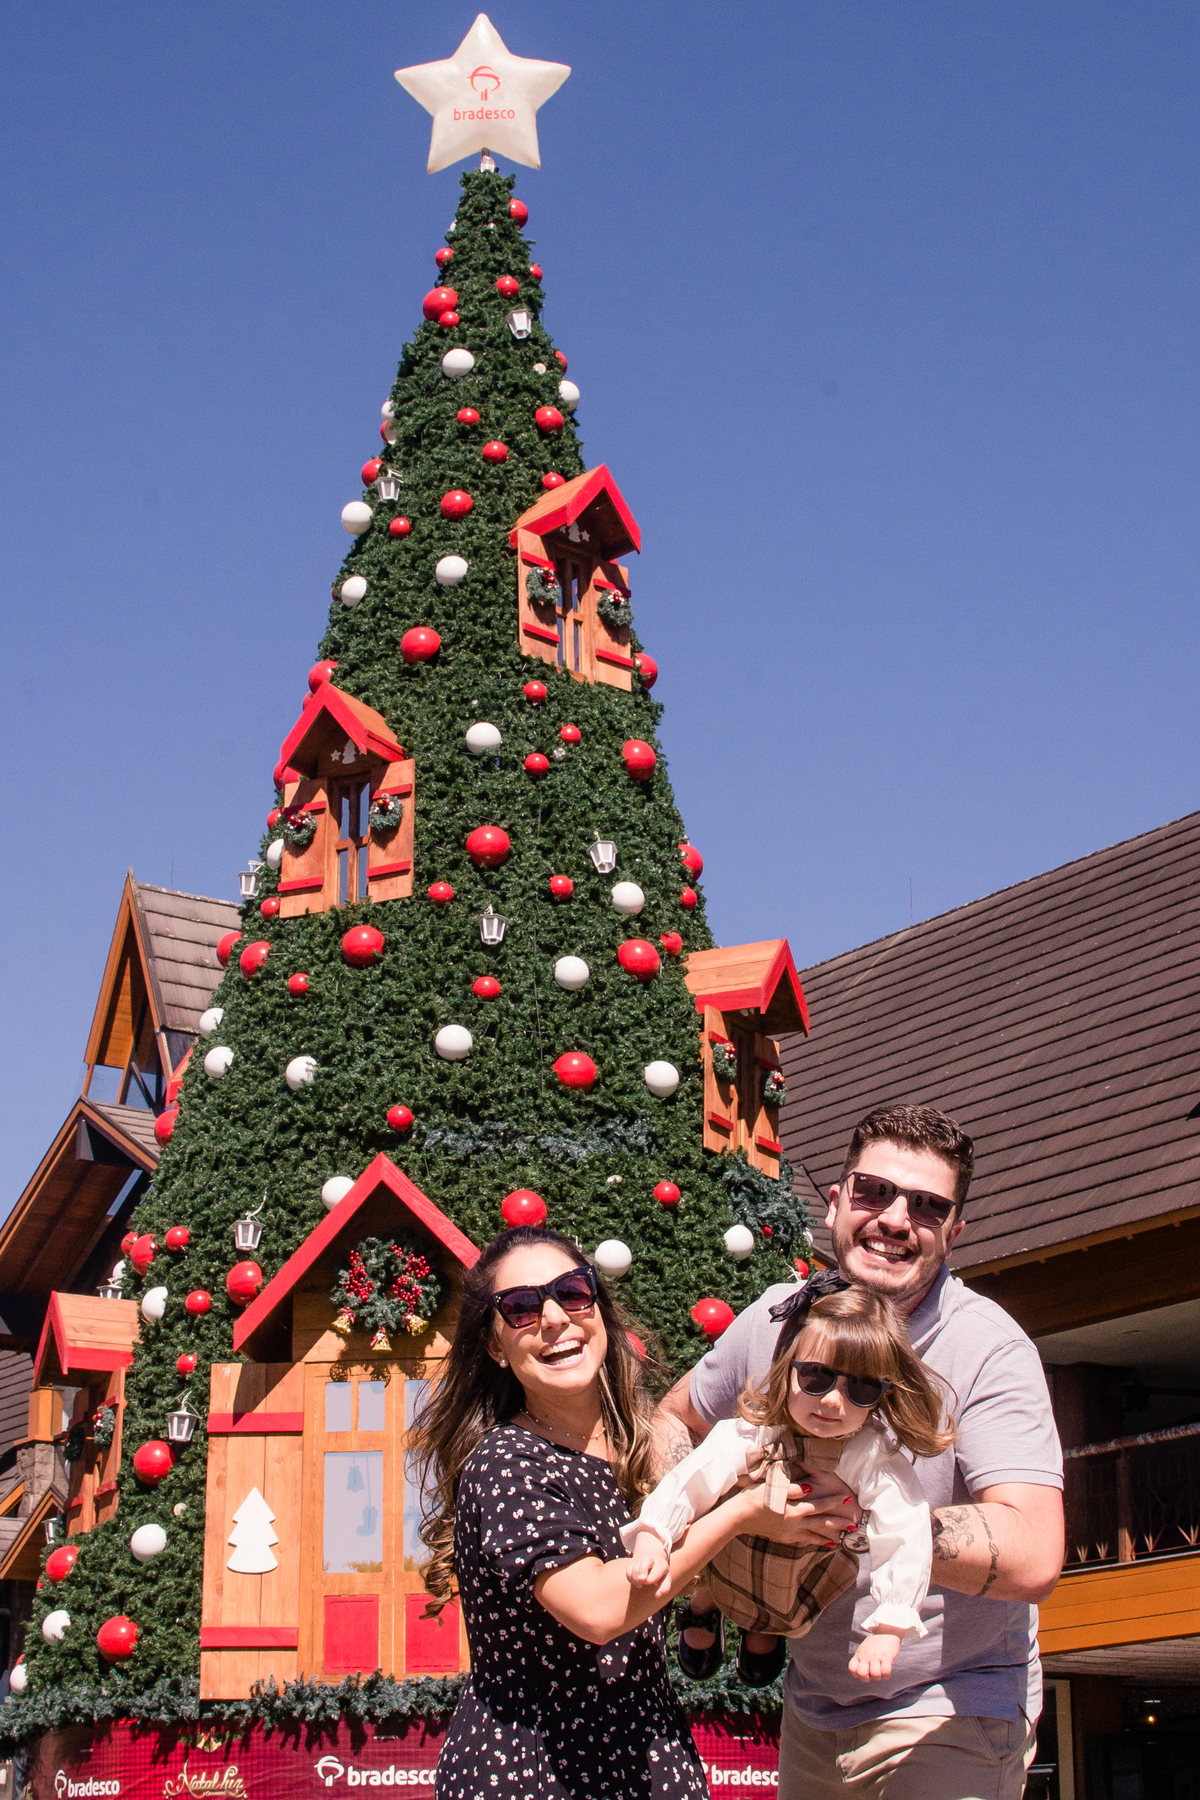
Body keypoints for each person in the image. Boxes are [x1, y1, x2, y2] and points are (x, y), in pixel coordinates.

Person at [652, 1104, 1064, 1800]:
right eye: (874, 1192)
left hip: (951, 1707)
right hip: (813, 1706)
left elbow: (1034, 1552)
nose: (896, 1219)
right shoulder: (778, 1318)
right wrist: (722, 1515)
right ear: (837, 1202)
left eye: (927, 1206)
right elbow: (673, 1420)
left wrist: (860, 1516)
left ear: (954, 1233)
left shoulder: (989, 1349)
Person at [412, 1224, 827, 1800]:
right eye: (522, 1307)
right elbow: (599, 1609)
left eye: (571, 1292)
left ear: (599, 1311)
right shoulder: (507, 1461)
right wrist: (743, 1515)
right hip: (534, 1770)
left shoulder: (639, 1445)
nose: (554, 1317)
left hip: (647, 1751)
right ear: (495, 1346)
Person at [626, 1280, 952, 1692]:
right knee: (715, 1511)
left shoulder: (868, 1455)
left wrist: (890, 1624)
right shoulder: (753, 1434)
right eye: (816, 1377)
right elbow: (691, 1480)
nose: (832, 1401)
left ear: (882, 1397)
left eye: (861, 1388)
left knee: (779, 1606)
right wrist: (654, 1535)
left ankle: (763, 1628)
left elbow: (905, 1529)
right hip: (731, 1558)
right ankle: (704, 1603)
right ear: (786, 1370)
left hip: (798, 1577)